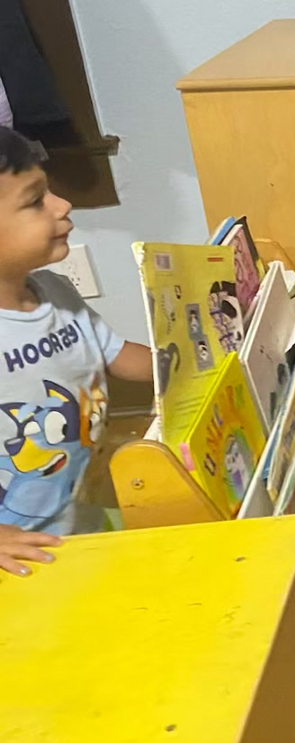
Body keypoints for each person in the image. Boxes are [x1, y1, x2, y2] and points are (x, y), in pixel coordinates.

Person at [0, 128, 153, 574]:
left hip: (81, 523)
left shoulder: (56, 292)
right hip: (21, 560)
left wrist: (195, 355)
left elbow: (119, 355)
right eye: (36, 200)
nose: (62, 205)